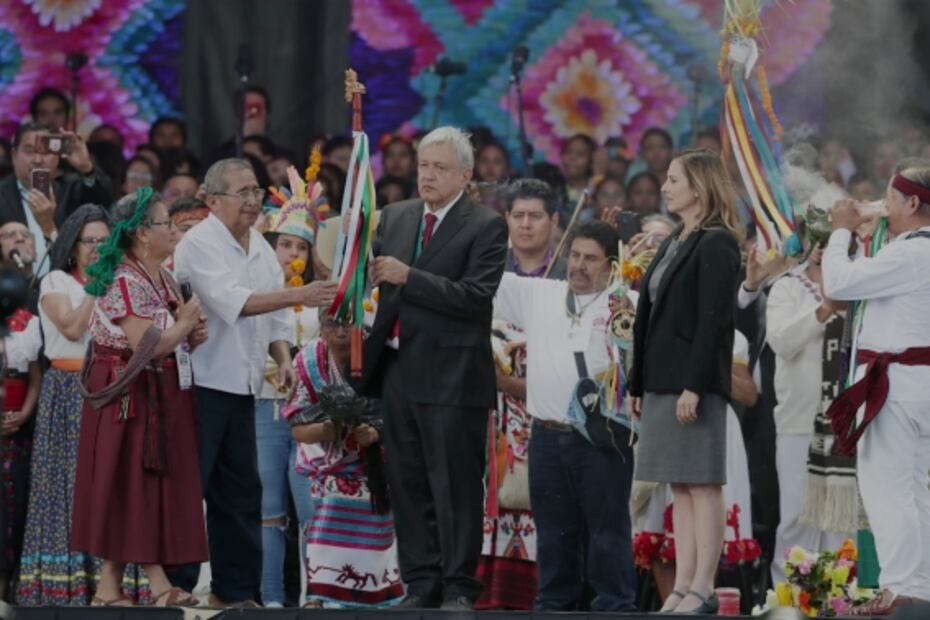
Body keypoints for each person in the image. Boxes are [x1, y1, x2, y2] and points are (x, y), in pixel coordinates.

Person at [171, 158, 337, 608]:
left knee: (241, 490)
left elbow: (278, 319)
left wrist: (283, 359)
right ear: (211, 200)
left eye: (255, 192)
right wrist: (302, 294)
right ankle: (177, 586)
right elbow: (235, 302)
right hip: (200, 385)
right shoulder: (200, 244)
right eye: (241, 193)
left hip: (244, 387)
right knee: (190, 489)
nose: (251, 201)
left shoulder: (260, 248)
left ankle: (236, 590)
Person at [358, 126, 508, 609]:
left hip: (452, 376)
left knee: (456, 486)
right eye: (424, 165)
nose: (428, 175)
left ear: (466, 175)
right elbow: (366, 275)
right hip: (398, 369)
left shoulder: (485, 224)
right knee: (407, 481)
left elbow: (476, 297)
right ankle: (420, 583)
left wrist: (410, 277)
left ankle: (459, 586)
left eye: (440, 168)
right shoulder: (397, 216)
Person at [71, 189, 208, 607]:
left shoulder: (163, 276)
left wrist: (190, 336)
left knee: (132, 486)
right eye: (166, 222)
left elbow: (171, 340)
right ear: (143, 234)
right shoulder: (121, 279)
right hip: (128, 396)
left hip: (159, 393)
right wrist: (184, 327)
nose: (173, 230)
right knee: (130, 484)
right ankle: (158, 586)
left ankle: (108, 590)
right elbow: (145, 343)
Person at [493, 220, 638, 611]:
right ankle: (554, 608)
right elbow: (483, 276)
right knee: (555, 536)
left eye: (590, 259)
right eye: (574, 255)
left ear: (611, 265)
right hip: (546, 436)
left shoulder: (627, 303)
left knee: (608, 534)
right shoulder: (539, 293)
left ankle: (616, 608)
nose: (578, 266)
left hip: (601, 437)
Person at [629, 148, 742, 614]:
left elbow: (713, 320)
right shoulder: (678, 236)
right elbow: (648, 315)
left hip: (693, 382)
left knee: (703, 484)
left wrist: (694, 385)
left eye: (674, 179)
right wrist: (637, 383)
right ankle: (681, 586)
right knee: (679, 483)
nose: (666, 186)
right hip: (662, 378)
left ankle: (703, 585)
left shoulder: (717, 241)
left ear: (699, 186)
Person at [822, 168, 930, 615]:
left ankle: (903, 585)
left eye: (889, 199)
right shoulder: (911, 252)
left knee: (888, 487)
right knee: (917, 489)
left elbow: (839, 285)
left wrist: (840, 234)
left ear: (912, 204)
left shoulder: (913, 253)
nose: (883, 205)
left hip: (898, 387)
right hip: (915, 385)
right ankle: (919, 588)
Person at [16, 204, 110, 605]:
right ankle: (61, 587)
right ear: (73, 247)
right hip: (67, 391)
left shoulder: (122, 280)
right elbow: (71, 327)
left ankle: (109, 584)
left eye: (106, 243)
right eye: (90, 241)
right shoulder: (58, 280)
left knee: (104, 486)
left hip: (109, 390)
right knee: (62, 487)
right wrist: (97, 286)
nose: (97, 249)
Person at [284, 310, 403, 608]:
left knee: (376, 511)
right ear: (320, 327)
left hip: (375, 462)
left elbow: (401, 412)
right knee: (326, 503)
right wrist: (327, 428)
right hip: (325, 461)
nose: (340, 330)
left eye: (348, 322)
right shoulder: (306, 362)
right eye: (332, 323)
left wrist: (375, 432)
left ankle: (377, 598)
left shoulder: (379, 354)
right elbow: (298, 428)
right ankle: (319, 596)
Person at [766, 242, 851, 585]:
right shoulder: (787, 286)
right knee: (796, 517)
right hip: (799, 419)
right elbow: (781, 341)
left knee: (842, 519)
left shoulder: (860, 285)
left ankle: (841, 599)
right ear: (813, 246)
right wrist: (825, 308)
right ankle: (789, 600)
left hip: (849, 422)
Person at [254, 196, 322, 607]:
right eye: (285, 245)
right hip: (265, 407)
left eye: (301, 248)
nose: (293, 255)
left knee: (312, 509)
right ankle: (272, 599)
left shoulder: (321, 295)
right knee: (269, 509)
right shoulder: (258, 292)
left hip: (311, 414)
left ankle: (317, 594)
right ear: (270, 246)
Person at [0, 122, 114, 276]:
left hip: (64, 289)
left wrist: (86, 167)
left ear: (58, 156)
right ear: (14, 155)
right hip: (12, 291)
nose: (38, 159)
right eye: (30, 151)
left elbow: (105, 201)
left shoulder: (69, 189)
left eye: (46, 151)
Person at [0, 275, 42, 601]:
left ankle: (13, 589)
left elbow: (34, 375)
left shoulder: (26, 322)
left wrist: (25, 414)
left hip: (18, 428)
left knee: (17, 506)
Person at [504, 179, 565, 278]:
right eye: (518, 216)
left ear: (554, 221)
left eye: (535, 216)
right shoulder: (489, 267)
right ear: (507, 218)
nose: (525, 224)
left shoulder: (572, 273)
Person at [0, 222, 39, 310]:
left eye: (26, 235)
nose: (20, 238)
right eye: (10, 236)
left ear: (35, 253)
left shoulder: (50, 286)